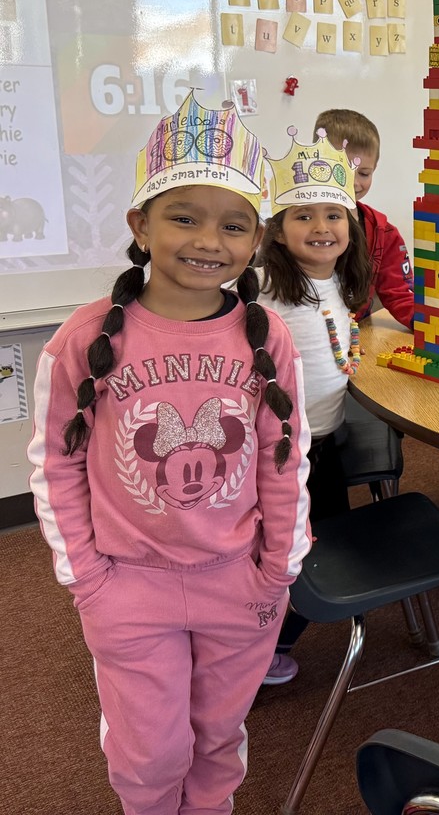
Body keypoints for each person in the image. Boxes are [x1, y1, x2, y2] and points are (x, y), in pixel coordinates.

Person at [27, 95, 312, 815]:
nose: (208, 239)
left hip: (238, 584)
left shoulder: (267, 334)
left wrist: (279, 567)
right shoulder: (86, 340)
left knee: (218, 736)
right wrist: (87, 577)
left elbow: (286, 455)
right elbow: (55, 463)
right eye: (184, 215)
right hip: (128, 586)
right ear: (140, 225)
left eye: (234, 224)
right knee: (150, 751)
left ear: (257, 241)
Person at [257, 127, 373, 685]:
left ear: (351, 226)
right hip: (283, 455)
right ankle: (253, 654)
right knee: (290, 553)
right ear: (277, 233)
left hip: (325, 444)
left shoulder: (337, 285)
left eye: (334, 214)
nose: (321, 227)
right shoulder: (265, 291)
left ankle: (267, 640)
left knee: (320, 544)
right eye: (304, 216)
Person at [315, 108, 415, 330]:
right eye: (342, 170)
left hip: (355, 339)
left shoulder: (384, 234)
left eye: (364, 173)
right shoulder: (293, 226)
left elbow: (399, 293)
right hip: (303, 339)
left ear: (374, 169)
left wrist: (431, 328)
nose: (353, 183)